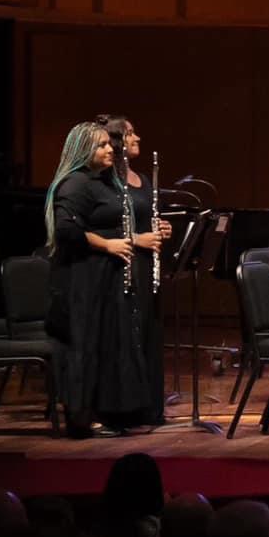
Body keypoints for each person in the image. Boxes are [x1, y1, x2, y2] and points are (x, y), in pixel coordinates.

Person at [45, 121, 155, 437]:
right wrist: (107, 245)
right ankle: (82, 418)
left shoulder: (105, 182)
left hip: (108, 277)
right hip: (84, 278)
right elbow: (67, 230)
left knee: (111, 344)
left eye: (109, 143)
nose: (110, 149)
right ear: (83, 150)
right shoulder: (75, 183)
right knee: (86, 344)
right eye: (101, 145)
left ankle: (113, 413)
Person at [93, 115, 169, 426]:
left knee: (148, 332)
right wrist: (137, 239)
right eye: (130, 134)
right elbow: (102, 226)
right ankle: (124, 409)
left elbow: (145, 218)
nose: (137, 138)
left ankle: (149, 407)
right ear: (117, 141)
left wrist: (160, 229)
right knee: (126, 336)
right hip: (121, 265)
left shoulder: (142, 180)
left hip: (145, 265)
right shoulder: (106, 180)